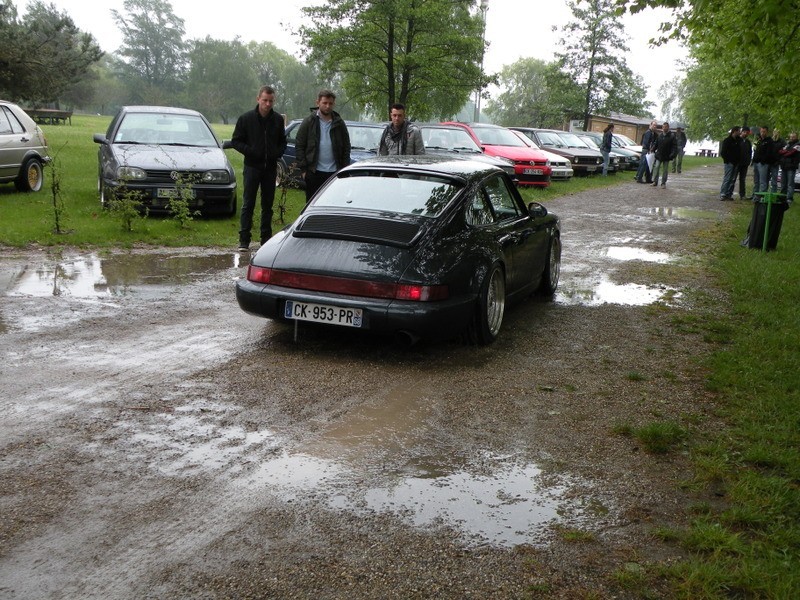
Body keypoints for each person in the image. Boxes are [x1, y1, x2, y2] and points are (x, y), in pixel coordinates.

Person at [231, 85, 287, 251]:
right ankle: (244, 240)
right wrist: (251, 151)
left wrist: (276, 153)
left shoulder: (277, 120)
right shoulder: (246, 119)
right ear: (258, 99)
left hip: (270, 168)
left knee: (267, 205)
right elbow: (236, 141)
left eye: (271, 101)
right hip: (252, 167)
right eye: (265, 100)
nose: (268, 104)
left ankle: (265, 240)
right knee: (248, 203)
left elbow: (282, 142)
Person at [295, 89, 352, 203]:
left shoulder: (339, 123)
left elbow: (346, 147)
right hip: (314, 172)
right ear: (318, 103)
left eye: (330, 103)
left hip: (334, 173)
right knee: (313, 204)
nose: (327, 106)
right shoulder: (309, 121)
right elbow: (299, 145)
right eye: (324, 103)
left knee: (332, 204)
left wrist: (343, 168)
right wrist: (304, 170)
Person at [651, 122, 678, 187]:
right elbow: (656, 144)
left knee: (665, 170)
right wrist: (652, 149)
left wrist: (672, 154)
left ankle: (663, 183)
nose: (664, 128)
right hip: (659, 154)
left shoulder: (671, 136)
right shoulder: (660, 135)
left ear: (668, 127)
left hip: (667, 155)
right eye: (663, 127)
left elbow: (674, 147)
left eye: (666, 127)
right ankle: (655, 181)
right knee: (656, 167)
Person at [751, 126, 775, 197]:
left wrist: (763, 160)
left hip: (763, 163)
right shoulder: (759, 140)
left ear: (767, 132)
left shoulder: (769, 141)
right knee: (756, 181)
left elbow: (769, 153)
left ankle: (762, 195)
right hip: (756, 162)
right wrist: (754, 160)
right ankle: (755, 195)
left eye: (764, 132)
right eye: (761, 131)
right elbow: (755, 150)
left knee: (763, 181)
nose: (762, 133)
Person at [718, 126, 741, 201]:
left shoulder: (738, 140)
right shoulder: (727, 140)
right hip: (729, 163)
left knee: (732, 179)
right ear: (735, 131)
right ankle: (723, 193)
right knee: (727, 178)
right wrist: (727, 160)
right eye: (739, 131)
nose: (740, 132)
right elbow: (723, 152)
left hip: (736, 163)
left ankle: (729, 193)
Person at [778, 131, 799, 204]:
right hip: (784, 166)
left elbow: (791, 152)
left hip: (791, 166)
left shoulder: (798, 145)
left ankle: (789, 198)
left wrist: (785, 152)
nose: (792, 138)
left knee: (790, 183)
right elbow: (780, 151)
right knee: (783, 183)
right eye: (791, 137)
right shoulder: (787, 144)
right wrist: (786, 151)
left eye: (793, 137)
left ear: (797, 137)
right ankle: (782, 196)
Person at [737, 126, 753, 200]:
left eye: (747, 133)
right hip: (737, 163)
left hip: (745, 164)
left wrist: (748, 161)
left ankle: (742, 195)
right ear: (741, 132)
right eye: (744, 132)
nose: (745, 134)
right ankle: (728, 193)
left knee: (742, 179)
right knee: (733, 178)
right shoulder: (737, 140)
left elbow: (750, 152)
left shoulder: (748, 142)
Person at [769, 128, 784, 193]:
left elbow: (783, 152)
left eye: (777, 132)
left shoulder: (782, 141)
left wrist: (778, 161)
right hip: (768, 162)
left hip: (776, 163)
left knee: (774, 180)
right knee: (765, 179)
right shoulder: (770, 140)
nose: (775, 133)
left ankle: (773, 193)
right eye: (774, 132)